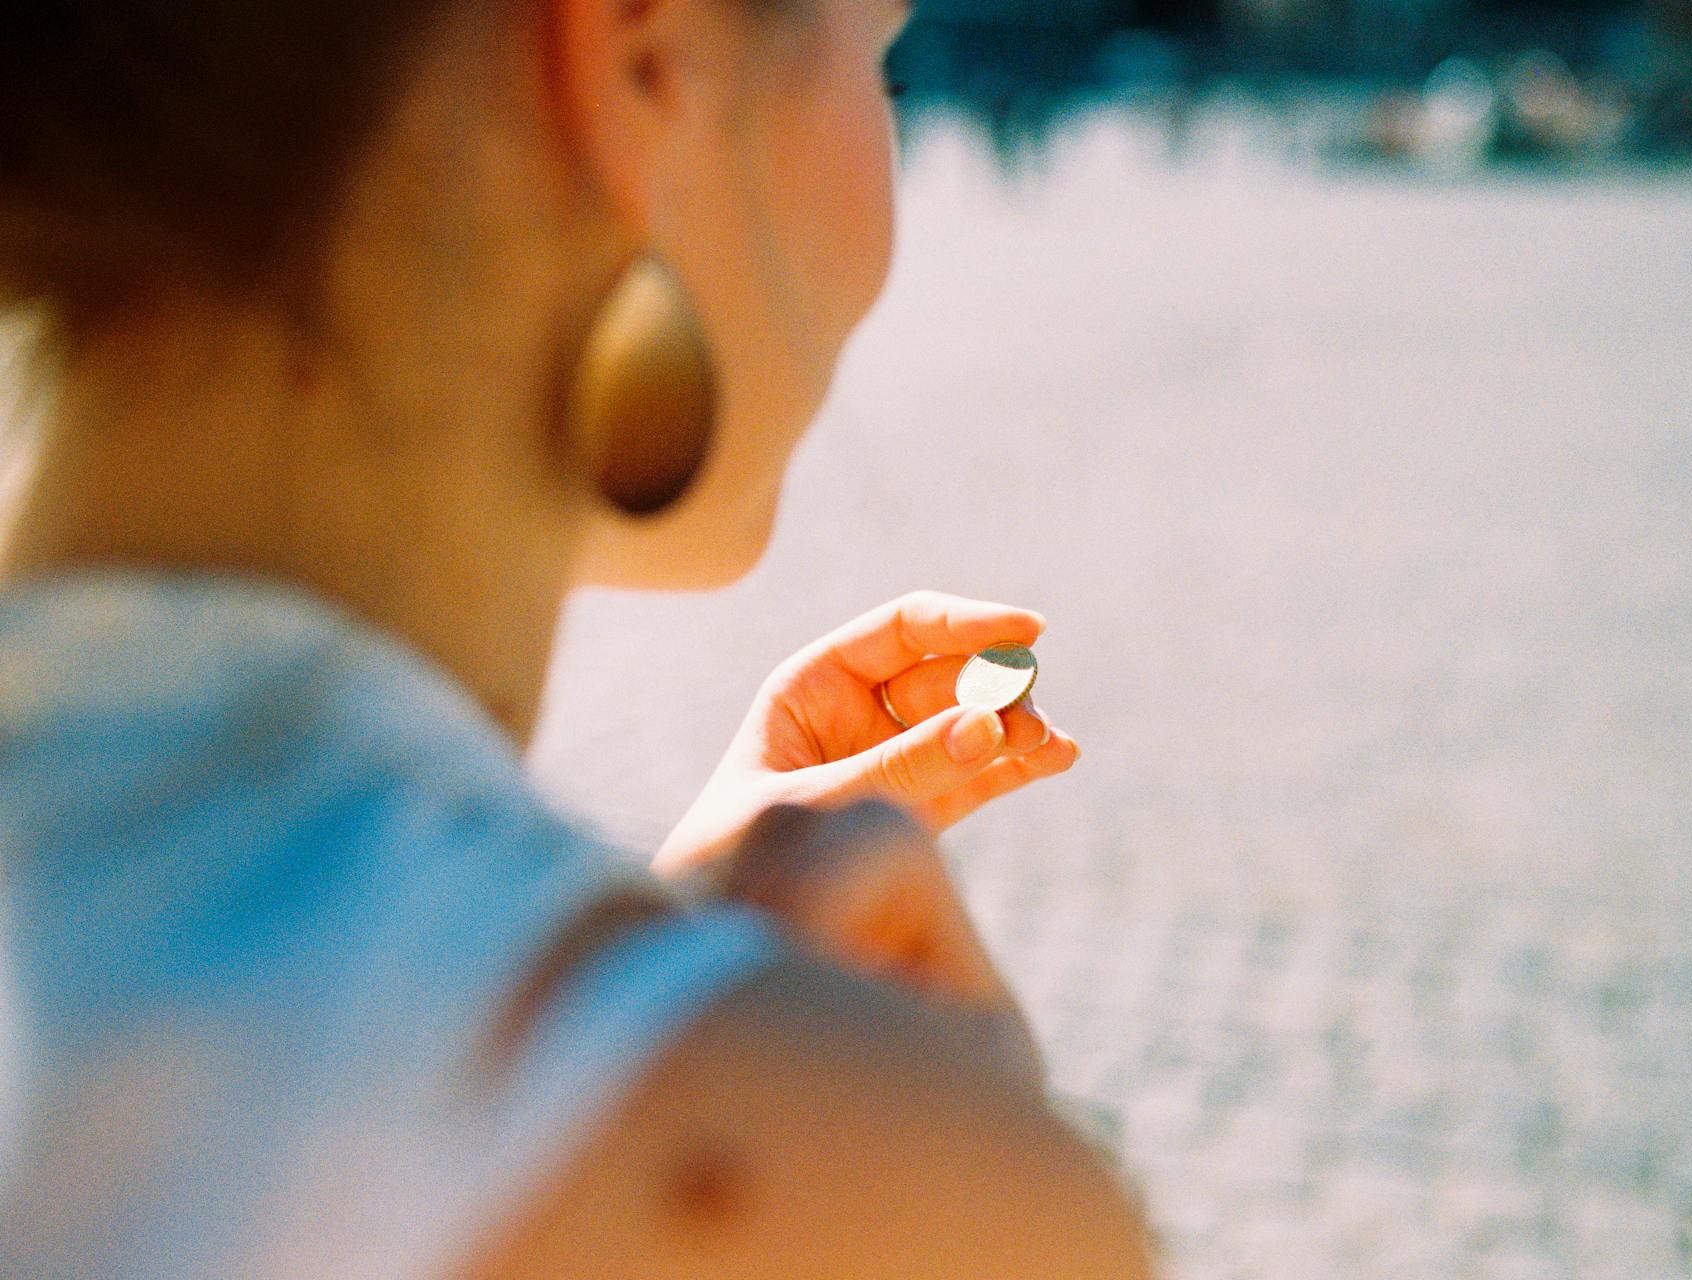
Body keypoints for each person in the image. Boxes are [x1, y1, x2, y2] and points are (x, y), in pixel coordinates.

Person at [0, 0, 1156, 1275]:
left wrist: (620, 968)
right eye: (877, 50)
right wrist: (902, 1131)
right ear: (643, 62)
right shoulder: (865, 1187)